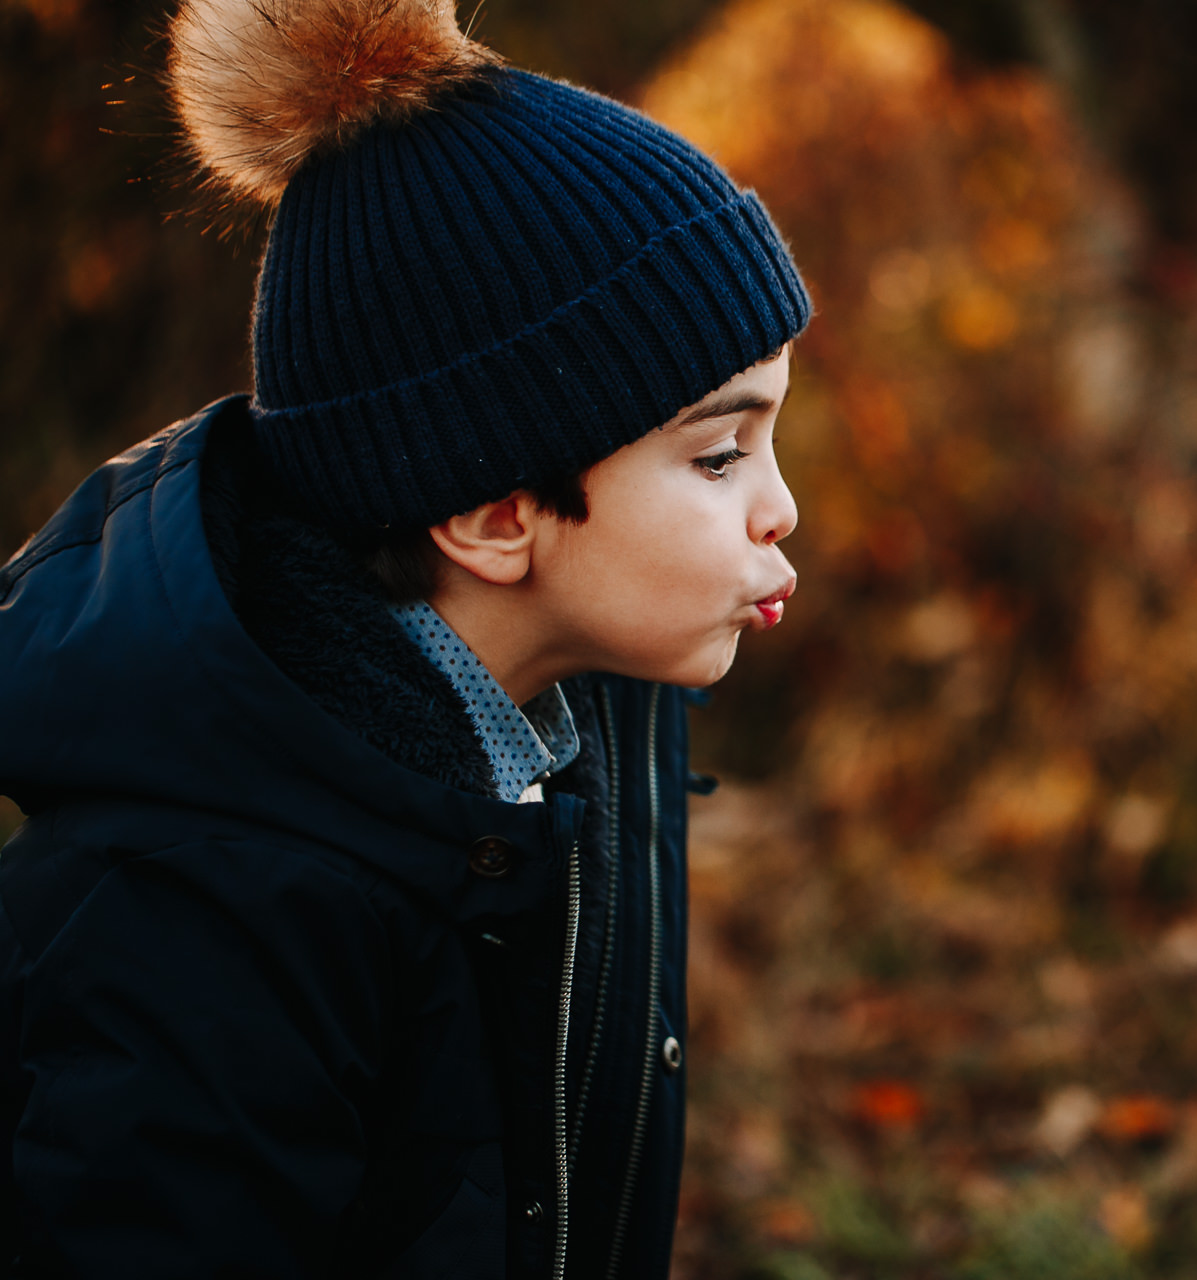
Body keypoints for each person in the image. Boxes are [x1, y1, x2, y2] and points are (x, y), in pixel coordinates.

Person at [0, 0, 810, 1274]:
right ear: (495, 518)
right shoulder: (199, 911)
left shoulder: (560, 752)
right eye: (718, 454)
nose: (783, 506)